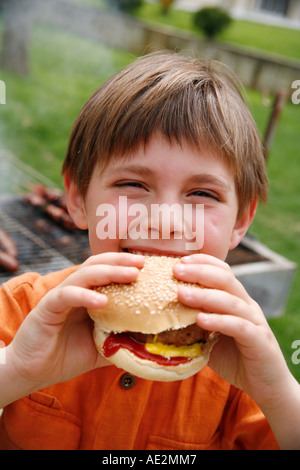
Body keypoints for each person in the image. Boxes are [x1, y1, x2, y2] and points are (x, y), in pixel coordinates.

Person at [0, 52, 299, 450]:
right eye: (133, 184)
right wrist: (16, 370)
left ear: (241, 221)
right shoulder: (22, 311)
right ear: (77, 198)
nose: (164, 219)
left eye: (202, 193)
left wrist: (279, 393)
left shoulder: (241, 358)